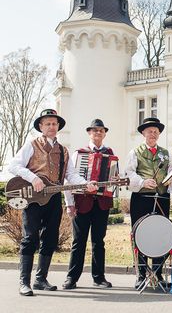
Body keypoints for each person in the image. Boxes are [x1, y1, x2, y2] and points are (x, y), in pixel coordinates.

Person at [8, 109, 97, 296]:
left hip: (54, 197)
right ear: (41, 126)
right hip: (32, 198)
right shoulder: (31, 145)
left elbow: (70, 175)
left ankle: (40, 279)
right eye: (47, 123)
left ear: (58, 127)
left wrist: (85, 184)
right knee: (30, 238)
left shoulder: (64, 151)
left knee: (50, 238)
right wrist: (33, 178)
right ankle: (24, 282)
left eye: (54, 124)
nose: (51, 126)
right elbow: (13, 165)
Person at [63, 119, 116, 290]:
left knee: (98, 242)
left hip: (102, 203)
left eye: (101, 130)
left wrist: (114, 180)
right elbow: (68, 179)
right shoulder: (79, 154)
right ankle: (71, 278)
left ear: (104, 133)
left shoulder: (110, 153)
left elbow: (113, 179)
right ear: (89, 133)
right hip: (82, 203)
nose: (98, 133)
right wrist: (69, 203)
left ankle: (99, 278)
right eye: (95, 130)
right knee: (78, 241)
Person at [125, 117, 172, 290]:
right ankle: (141, 274)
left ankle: (158, 273)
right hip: (142, 199)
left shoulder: (166, 153)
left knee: (161, 234)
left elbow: (171, 173)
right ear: (143, 133)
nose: (153, 134)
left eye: (156, 131)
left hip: (161, 198)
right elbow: (129, 174)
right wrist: (143, 182)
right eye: (149, 131)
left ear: (159, 134)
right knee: (140, 234)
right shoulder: (135, 152)